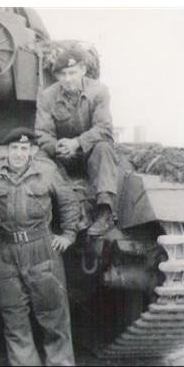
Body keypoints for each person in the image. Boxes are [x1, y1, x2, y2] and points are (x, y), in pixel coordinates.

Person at [0, 127, 79, 366]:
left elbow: (69, 202)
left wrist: (69, 235)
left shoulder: (47, 171)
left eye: (23, 149)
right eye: (14, 148)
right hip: (8, 249)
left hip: (41, 247)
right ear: (7, 150)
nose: (18, 153)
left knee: (53, 317)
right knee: (14, 319)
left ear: (32, 150)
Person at [35, 47, 118, 236]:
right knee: (40, 158)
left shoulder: (99, 91)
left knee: (104, 147)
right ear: (56, 76)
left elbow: (104, 127)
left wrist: (77, 143)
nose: (68, 78)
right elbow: (42, 133)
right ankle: (46, 211)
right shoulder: (47, 96)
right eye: (62, 74)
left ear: (83, 70)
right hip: (61, 154)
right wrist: (57, 146)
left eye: (72, 72)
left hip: (89, 152)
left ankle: (105, 211)